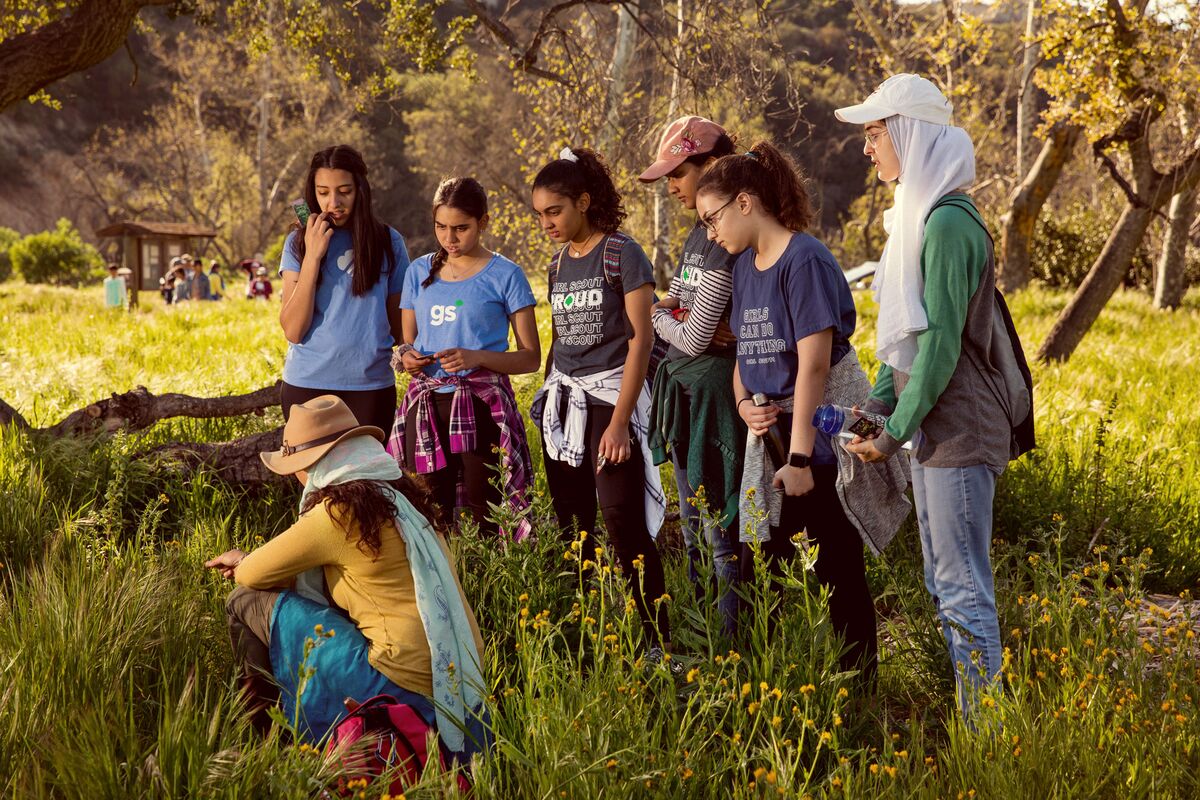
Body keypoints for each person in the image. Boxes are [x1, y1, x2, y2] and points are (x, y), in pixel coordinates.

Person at [695, 140, 910, 687]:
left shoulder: (805, 258)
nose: (709, 232)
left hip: (826, 434)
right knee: (759, 564)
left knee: (838, 566)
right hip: (773, 435)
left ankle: (858, 690)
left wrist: (796, 457)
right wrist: (745, 403)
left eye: (712, 217)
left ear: (745, 203)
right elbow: (747, 353)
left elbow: (813, 365)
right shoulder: (745, 266)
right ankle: (776, 685)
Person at [836, 74, 1011, 717]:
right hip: (937, 431)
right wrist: (878, 408)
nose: (868, 149)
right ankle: (978, 725)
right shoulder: (919, 219)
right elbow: (906, 348)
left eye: (876, 134)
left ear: (911, 134)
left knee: (962, 589)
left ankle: (989, 739)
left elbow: (938, 350)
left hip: (960, 432)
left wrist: (890, 435)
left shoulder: (947, 226)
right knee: (946, 584)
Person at [205, 396, 489, 761]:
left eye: (296, 466)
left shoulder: (338, 511)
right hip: (453, 676)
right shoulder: (402, 497)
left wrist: (242, 560)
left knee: (244, 600)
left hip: (399, 681)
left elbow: (253, 574)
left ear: (312, 466)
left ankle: (268, 739)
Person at [529, 146, 670, 655]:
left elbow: (642, 340)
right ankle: (586, 641)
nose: (547, 222)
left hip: (611, 402)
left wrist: (621, 423)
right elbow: (558, 340)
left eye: (555, 211)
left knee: (621, 520)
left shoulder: (622, 253)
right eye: (540, 213)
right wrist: (546, 404)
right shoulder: (557, 264)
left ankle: (658, 643)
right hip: (564, 405)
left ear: (583, 201)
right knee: (573, 528)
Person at [638, 116, 746, 637]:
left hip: (717, 399)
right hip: (684, 394)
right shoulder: (697, 237)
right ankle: (702, 635)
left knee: (721, 527)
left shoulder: (728, 239)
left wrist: (668, 316)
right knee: (697, 520)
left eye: (677, 175)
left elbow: (696, 334)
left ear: (708, 166)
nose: (672, 187)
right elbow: (675, 308)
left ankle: (727, 647)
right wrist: (671, 314)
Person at [390, 177, 539, 540]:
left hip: (480, 404)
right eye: (441, 227)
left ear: (483, 222)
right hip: (425, 406)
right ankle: (439, 584)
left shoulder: (506, 275)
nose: (449, 239)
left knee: (484, 507)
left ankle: (486, 589)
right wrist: (407, 356)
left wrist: (477, 356)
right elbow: (406, 342)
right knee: (426, 508)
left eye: (461, 228)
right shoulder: (418, 272)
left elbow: (531, 357)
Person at [279, 145, 409, 436]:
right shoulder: (296, 243)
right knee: (317, 482)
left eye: (344, 191)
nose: (333, 202)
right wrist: (313, 256)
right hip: (307, 384)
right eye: (323, 192)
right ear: (313, 191)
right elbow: (293, 330)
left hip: (371, 387)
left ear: (361, 190)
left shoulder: (389, 241)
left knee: (366, 481)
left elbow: (400, 327)